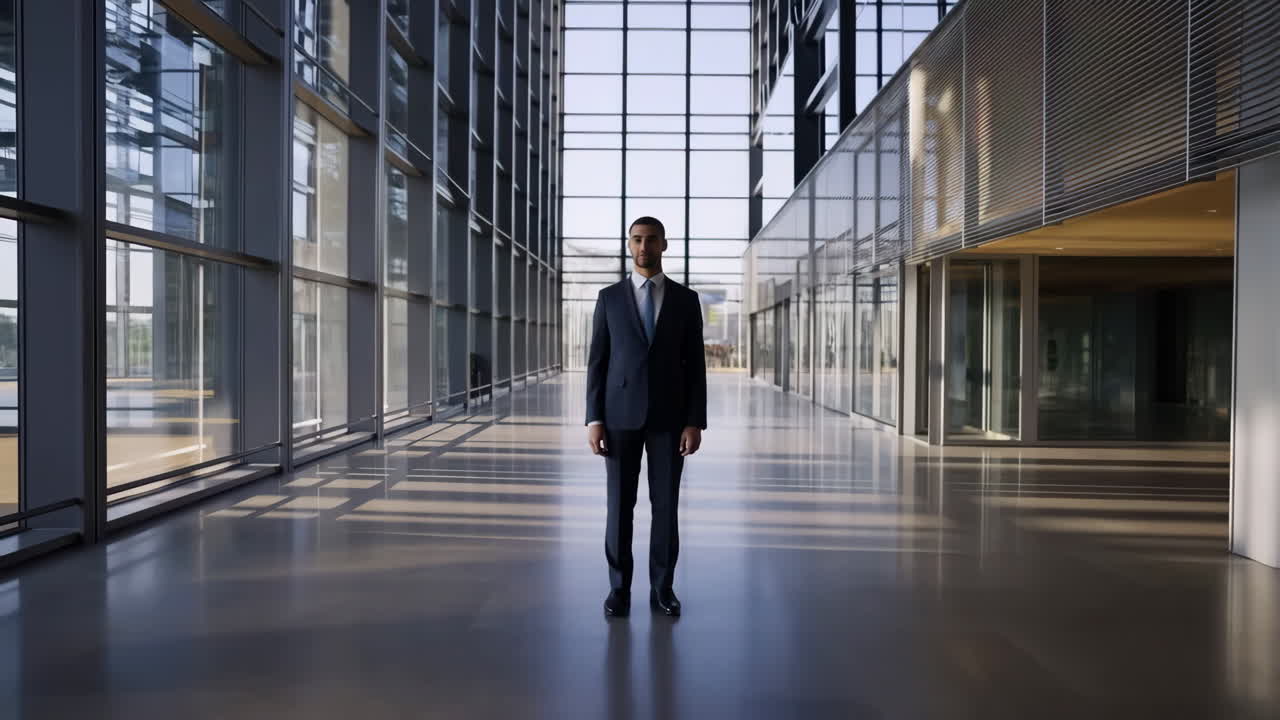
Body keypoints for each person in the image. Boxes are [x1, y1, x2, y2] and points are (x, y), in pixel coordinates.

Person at [585, 216, 708, 619]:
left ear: (664, 245)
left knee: (665, 507)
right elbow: (597, 363)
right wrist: (594, 419)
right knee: (618, 508)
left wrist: (694, 420)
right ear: (629, 244)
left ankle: (662, 590)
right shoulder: (609, 298)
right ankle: (619, 590)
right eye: (637, 239)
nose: (644, 246)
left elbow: (695, 366)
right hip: (619, 419)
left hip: (670, 420)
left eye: (651, 239)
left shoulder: (686, 300)